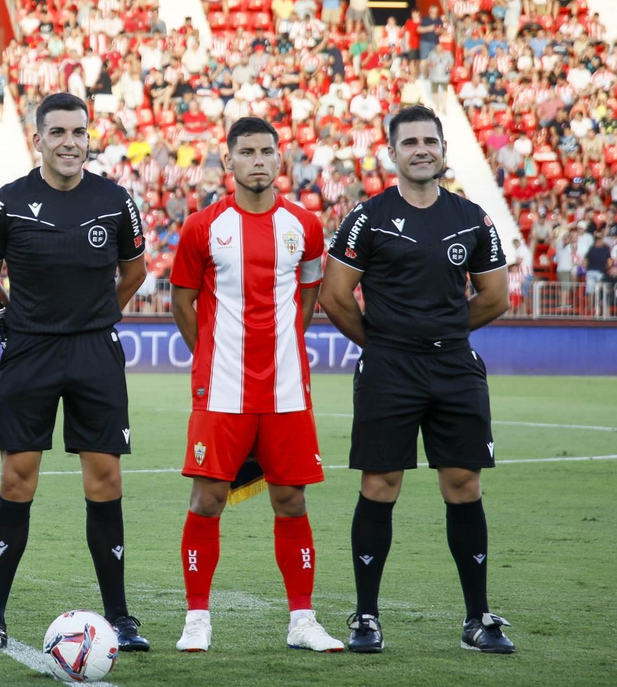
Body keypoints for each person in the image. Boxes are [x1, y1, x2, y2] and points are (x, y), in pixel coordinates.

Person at [318, 104, 515, 655]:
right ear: (393, 152)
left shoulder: (472, 217)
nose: (422, 149)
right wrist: (385, 342)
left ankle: (478, 619)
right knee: (380, 485)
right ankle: (365, 617)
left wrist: (442, 332)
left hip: (454, 366)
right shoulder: (369, 215)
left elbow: (495, 295)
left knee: (464, 485)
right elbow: (335, 297)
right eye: (410, 142)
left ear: (444, 150)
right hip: (389, 369)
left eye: (431, 140)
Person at [0, 93, 150, 653]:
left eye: (79, 132)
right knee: (16, 479)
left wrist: (97, 319)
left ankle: (120, 619)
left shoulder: (115, 200)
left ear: (87, 137)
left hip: (95, 352)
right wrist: (12, 319)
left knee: (106, 480)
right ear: (39, 139)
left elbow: (135, 270)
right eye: (58, 133)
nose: (70, 142)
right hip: (31, 353)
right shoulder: (9, 203)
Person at [169, 117, 343, 654]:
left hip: (288, 390)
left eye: (268, 151)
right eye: (247, 152)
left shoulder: (305, 226)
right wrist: (214, 358)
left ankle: (303, 620)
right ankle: (197, 618)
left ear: (279, 159)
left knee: (291, 499)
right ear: (229, 162)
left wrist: (282, 346)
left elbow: (309, 296)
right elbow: (182, 302)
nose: (259, 160)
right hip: (221, 390)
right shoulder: (203, 227)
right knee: (207, 499)